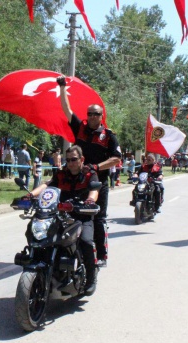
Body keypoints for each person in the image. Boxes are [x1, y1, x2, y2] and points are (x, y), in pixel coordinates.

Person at [57, 75, 122, 267]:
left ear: (102, 116)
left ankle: (100, 255)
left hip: (97, 182)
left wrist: (96, 166)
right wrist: (62, 87)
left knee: (98, 218)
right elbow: (66, 109)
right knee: (65, 213)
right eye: (90, 113)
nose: (92, 117)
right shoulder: (80, 128)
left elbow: (117, 159)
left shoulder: (108, 136)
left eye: (96, 114)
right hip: (76, 180)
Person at [26, 145, 100, 295]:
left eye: (74, 159)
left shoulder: (89, 174)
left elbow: (94, 190)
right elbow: (47, 185)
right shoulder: (61, 174)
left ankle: (91, 278)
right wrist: (31, 195)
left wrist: (90, 200)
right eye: (68, 160)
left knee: (86, 241)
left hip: (82, 216)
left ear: (82, 159)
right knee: (39, 234)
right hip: (60, 216)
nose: (71, 163)